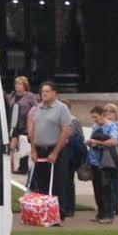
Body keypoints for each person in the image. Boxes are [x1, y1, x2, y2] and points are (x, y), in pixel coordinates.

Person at [26, 81, 77, 221]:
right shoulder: (38, 108)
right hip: (39, 149)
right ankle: (41, 212)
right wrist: (33, 150)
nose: (44, 94)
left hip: (56, 149)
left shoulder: (61, 108)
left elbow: (67, 131)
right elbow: (33, 130)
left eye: (47, 91)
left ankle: (58, 213)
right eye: (42, 92)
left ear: (54, 93)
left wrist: (55, 152)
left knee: (57, 182)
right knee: (41, 181)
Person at [86, 103, 118, 224]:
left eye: (95, 117)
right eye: (93, 117)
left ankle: (108, 215)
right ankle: (100, 213)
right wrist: (90, 142)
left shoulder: (112, 127)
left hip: (106, 163)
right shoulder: (96, 126)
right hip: (95, 162)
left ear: (102, 115)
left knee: (107, 189)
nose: (94, 120)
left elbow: (115, 141)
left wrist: (97, 142)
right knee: (97, 189)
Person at [5, 75, 39, 174]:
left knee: (23, 145)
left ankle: (23, 167)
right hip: (13, 124)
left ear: (25, 85)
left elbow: (36, 109)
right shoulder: (13, 95)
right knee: (12, 146)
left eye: (20, 84)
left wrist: (32, 122)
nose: (17, 86)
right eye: (16, 84)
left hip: (24, 124)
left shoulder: (30, 96)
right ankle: (11, 166)